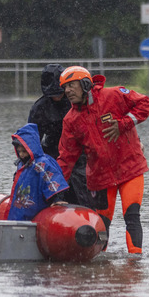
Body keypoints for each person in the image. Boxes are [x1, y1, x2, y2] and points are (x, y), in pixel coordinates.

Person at [57, 66, 149, 255]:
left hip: (130, 169)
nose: (67, 91)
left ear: (85, 84)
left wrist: (124, 124)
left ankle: (135, 264)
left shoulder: (114, 95)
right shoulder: (70, 120)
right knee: (102, 222)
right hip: (100, 178)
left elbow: (145, 104)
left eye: (71, 85)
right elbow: (66, 159)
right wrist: (53, 189)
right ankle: (100, 262)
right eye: (64, 87)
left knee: (131, 216)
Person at [27, 63, 93, 208]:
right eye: (53, 94)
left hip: (79, 150)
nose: (57, 97)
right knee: (49, 171)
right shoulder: (40, 108)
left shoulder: (76, 101)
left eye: (59, 92)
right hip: (52, 150)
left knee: (81, 180)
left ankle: (87, 211)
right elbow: (32, 138)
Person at [7, 123, 69, 221]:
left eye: (24, 151)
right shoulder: (22, 164)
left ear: (32, 148)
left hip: (37, 207)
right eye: (19, 151)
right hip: (22, 206)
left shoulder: (43, 164)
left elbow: (54, 181)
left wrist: (57, 199)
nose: (21, 155)